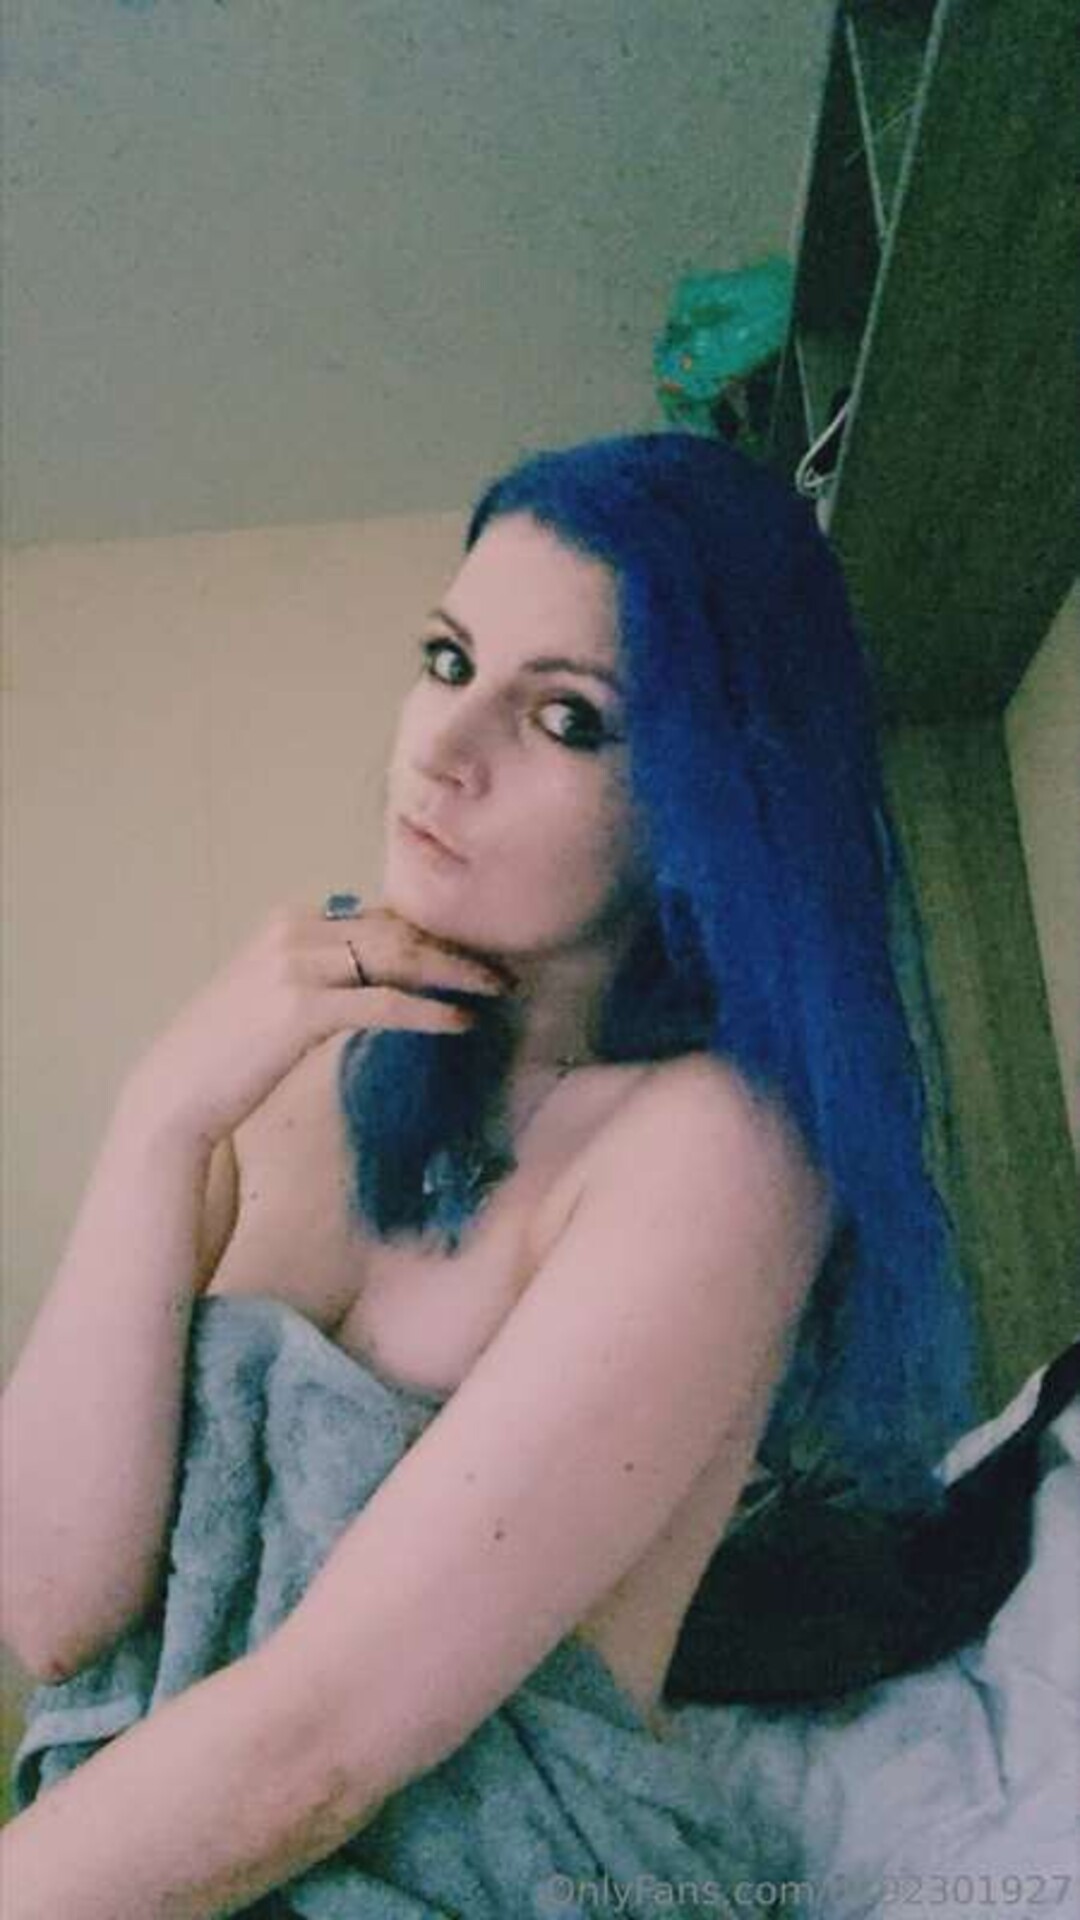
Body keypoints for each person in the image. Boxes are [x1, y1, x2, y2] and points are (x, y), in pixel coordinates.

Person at [0, 432, 978, 1917]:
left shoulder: (719, 1149)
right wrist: (158, 1120)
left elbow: (317, 1752)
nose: (443, 750)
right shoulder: (289, 1067)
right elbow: (53, 1614)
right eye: (447, 661)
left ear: (706, 801)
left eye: (568, 718)